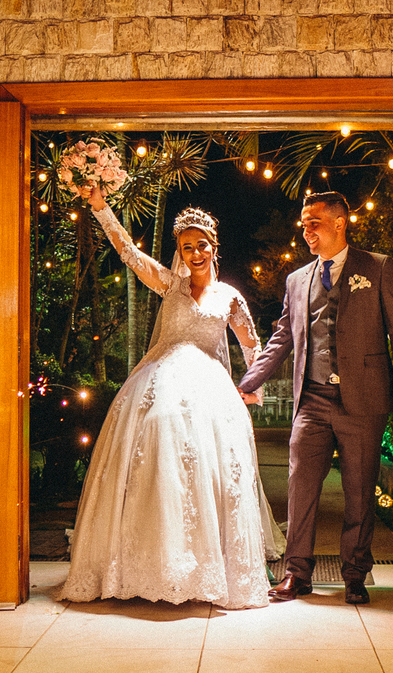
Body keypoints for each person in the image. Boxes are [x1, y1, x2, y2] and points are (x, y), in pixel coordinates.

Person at [56, 183, 284, 609]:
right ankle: (149, 565)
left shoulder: (230, 297)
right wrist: (101, 208)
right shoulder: (168, 285)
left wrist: (252, 389)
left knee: (209, 471)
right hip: (159, 382)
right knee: (157, 454)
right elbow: (128, 251)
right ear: (178, 251)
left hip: (210, 391)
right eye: (186, 247)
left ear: (214, 247)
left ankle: (205, 570)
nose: (194, 253)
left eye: (201, 245)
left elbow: (254, 348)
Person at [238, 191, 393, 605]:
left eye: (314, 222)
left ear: (340, 223)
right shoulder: (296, 279)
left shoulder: (376, 267)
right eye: (303, 223)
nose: (306, 231)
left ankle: (355, 575)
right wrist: (248, 382)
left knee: (360, 491)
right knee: (301, 486)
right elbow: (282, 337)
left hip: (363, 399)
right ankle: (297, 574)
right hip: (314, 400)